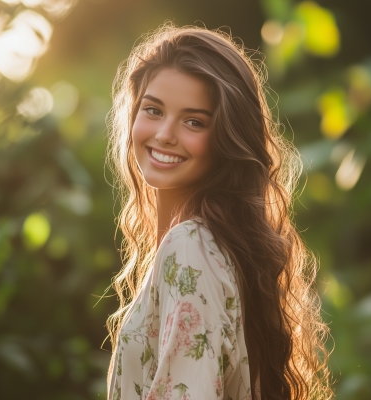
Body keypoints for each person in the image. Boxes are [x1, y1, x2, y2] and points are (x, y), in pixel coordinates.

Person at [105, 24, 333, 400]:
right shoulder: (213, 247)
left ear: (227, 137)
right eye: (153, 110)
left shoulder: (190, 246)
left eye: (194, 121)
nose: (164, 133)